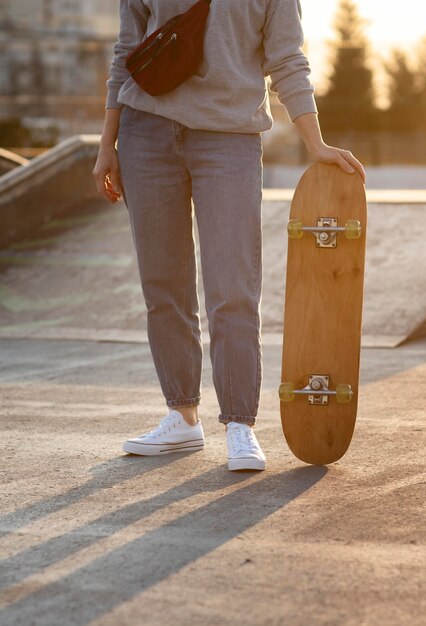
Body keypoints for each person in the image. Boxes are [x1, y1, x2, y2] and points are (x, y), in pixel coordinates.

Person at [93, 0, 365, 472]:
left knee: (233, 288)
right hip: (145, 133)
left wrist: (315, 142)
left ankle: (240, 424)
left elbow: (287, 58)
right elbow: (127, 50)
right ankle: (182, 416)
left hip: (230, 138)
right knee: (163, 287)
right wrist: (107, 145)